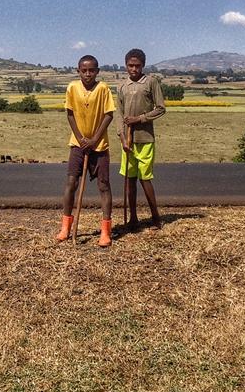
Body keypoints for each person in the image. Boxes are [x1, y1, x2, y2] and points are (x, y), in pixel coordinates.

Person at [56, 54, 116, 247]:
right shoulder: (72, 88)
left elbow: (109, 115)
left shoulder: (103, 88)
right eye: (84, 70)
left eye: (92, 70)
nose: (88, 74)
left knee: (104, 185)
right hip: (78, 143)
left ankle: (106, 231)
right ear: (78, 71)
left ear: (97, 71)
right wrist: (82, 139)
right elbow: (70, 114)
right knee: (71, 182)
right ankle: (65, 226)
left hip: (99, 145)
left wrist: (94, 139)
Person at [117, 48, 165, 228]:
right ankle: (133, 218)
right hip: (128, 141)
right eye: (130, 65)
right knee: (130, 179)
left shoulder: (151, 82)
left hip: (145, 138)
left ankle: (156, 217)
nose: (134, 69)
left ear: (143, 65)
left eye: (137, 66)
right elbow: (119, 114)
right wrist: (122, 138)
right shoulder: (121, 86)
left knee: (145, 179)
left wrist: (139, 119)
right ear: (126, 66)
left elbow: (161, 108)